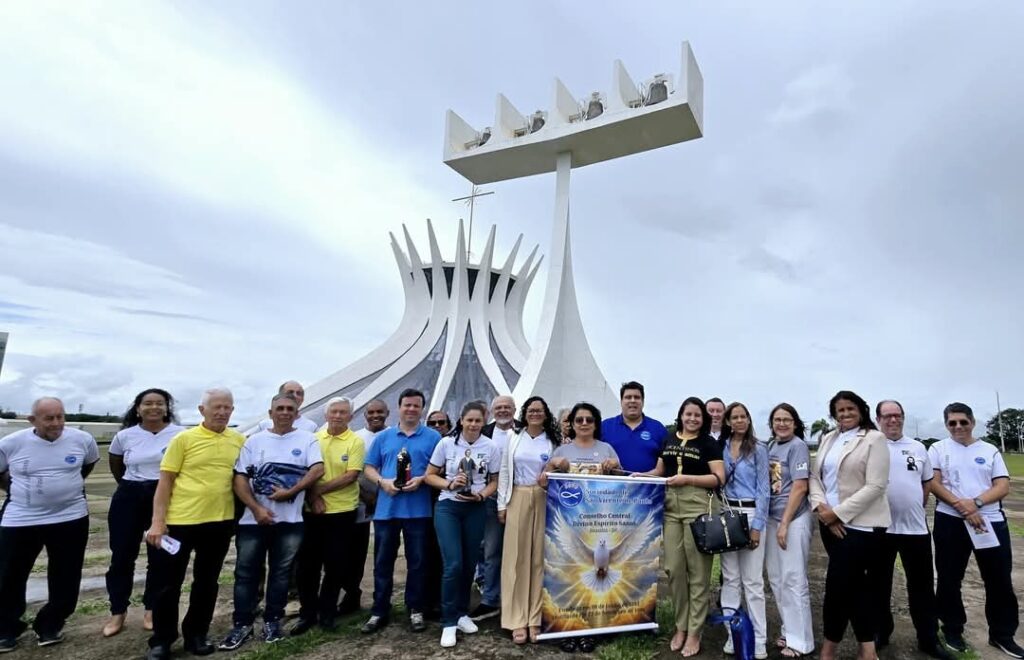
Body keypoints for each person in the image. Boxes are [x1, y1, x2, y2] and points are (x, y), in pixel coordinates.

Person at [143, 387, 246, 660]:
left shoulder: (238, 440)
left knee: (207, 582)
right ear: (202, 410)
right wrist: (157, 522)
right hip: (179, 523)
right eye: (217, 407)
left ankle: (196, 634)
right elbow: (165, 482)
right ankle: (162, 640)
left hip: (219, 522)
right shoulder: (184, 439)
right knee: (167, 584)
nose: (222, 412)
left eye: (227, 408)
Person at [218, 393, 324, 650]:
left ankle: (272, 621)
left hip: (290, 521)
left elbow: (317, 469)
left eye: (290, 408)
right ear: (270, 413)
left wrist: (291, 491)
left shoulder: (308, 439)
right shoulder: (254, 441)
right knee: (246, 575)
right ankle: (241, 624)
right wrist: (255, 509)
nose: (285, 412)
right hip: (253, 522)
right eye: (280, 408)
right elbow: (240, 478)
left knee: (281, 574)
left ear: (297, 413)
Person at [0, 397, 100, 652]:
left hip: (70, 517)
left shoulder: (82, 440)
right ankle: (6, 628)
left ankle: (50, 624)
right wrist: (20, 491)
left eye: (60, 417)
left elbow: (86, 465)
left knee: (66, 574)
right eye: (49, 418)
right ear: (32, 420)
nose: (57, 423)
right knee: (9, 574)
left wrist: (63, 489)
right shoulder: (10, 444)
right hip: (21, 518)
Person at [928, 402, 1022, 658]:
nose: (958, 427)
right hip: (951, 520)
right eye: (952, 423)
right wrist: (963, 507)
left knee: (999, 580)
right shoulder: (938, 448)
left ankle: (1002, 635)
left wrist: (976, 503)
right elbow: (934, 483)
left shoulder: (989, 449)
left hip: (989, 520)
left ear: (972, 422)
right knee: (949, 579)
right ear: (946, 424)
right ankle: (952, 630)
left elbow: (1002, 486)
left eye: (963, 422)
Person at [638, 396, 724, 658]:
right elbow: (660, 471)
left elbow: (718, 478)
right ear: (681, 415)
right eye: (688, 414)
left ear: (703, 418)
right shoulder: (669, 437)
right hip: (671, 507)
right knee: (673, 569)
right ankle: (681, 626)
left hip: (699, 505)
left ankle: (694, 631)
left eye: (697, 415)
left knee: (698, 572)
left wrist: (687, 478)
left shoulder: (708, 443)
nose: (693, 419)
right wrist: (640, 476)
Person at [808, 390, 890, 660]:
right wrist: (823, 509)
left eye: (850, 409)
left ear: (861, 410)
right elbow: (815, 477)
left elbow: (876, 486)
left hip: (860, 527)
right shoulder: (829, 438)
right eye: (840, 410)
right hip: (829, 523)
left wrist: (838, 514)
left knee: (837, 588)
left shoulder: (874, 439)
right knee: (854, 587)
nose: (845, 414)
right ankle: (867, 650)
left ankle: (828, 649)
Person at [871, 400, 954, 659]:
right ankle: (881, 632)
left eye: (897, 416)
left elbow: (926, 484)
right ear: (878, 419)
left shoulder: (918, 447)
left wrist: (913, 505)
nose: (893, 420)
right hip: (880, 528)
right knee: (878, 585)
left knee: (922, 587)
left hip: (915, 530)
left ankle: (927, 638)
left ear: (903, 418)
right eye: (887, 416)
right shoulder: (871, 445)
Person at [103, 389, 184, 638]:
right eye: (147, 403)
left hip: (163, 496)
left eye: (159, 403)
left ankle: (151, 609)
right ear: (138, 408)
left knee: (159, 558)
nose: (154, 408)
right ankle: (118, 611)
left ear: (167, 407)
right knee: (122, 557)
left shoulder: (180, 434)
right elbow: (116, 464)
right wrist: (130, 486)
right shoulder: (125, 436)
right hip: (128, 496)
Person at [361, 388, 442, 634]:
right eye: (407, 405)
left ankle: (415, 608)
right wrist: (382, 482)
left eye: (416, 406)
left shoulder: (432, 437)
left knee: (417, 563)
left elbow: (439, 468)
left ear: (422, 409)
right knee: (383, 562)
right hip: (387, 510)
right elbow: (368, 467)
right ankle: (379, 610)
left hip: (418, 511)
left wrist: (421, 479)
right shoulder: (384, 437)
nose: (411, 409)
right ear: (399, 407)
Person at [425, 401, 501, 648]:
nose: (473, 424)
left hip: (475, 508)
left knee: (469, 563)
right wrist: (449, 484)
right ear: (461, 420)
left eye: (478, 420)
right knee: (453, 564)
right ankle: (448, 622)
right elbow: (430, 475)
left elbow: (495, 480)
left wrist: (481, 495)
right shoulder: (446, 443)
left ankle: (461, 613)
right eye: (469, 420)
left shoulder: (490, 446)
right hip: (449, 506)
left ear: (484, 421)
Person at [292, 397, 365, 635]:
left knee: (335, 566)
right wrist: (313, 498)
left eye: (343, 412)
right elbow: (306, 471)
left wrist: (317, 492)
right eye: (334, 412)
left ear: (350, 417)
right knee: (307, 566)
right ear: (326, 415)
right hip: (312, 513)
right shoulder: (313, 439)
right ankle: (307, 613)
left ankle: (327, 612)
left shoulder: (355, 441)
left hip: (342, 512)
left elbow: (351, 475)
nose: (337, 416)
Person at [497, 396, 559, 645]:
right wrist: (502, 505)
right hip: (518, 496)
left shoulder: (553, 441)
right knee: (515, 559)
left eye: (539, 411)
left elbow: (560, 470)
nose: (534, 414)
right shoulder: (513, 437)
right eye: (531, 410)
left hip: (544, 498)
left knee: (539, 560)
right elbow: (503, 471)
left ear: (545, 414)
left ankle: (535, 618)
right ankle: (516, 620)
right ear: (525, 413)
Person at [719, 402, 770, 659]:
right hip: (728, 512)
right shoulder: (722, 447)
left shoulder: (759, 449)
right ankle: (733, 633)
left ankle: (759, 638)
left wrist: (758, 526)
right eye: (734, 417)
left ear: (749, 420)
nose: (739, 421)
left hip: (751, 513)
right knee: (730, 579)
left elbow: (764, 489)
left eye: (743, 417)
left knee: (752, 581)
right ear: (728, 421)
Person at [764, 403, 814, 659]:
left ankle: (801, 640)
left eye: (787, 420)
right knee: (776, 578)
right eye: (777, 420)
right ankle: (789, 628)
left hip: (792, 520)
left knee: (794, 579)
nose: (781, 424)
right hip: (772, 518)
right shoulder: (772, 446)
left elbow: (800, 487)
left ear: (795, 423)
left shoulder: (798, 446)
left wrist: (784, 523)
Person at [472, 395, 518, 621]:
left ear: (514, 409)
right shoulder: (483, 432)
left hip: (519, 496)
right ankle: (490, 599)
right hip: (490, 498)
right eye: (498, 408)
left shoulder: (525, 430)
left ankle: (518, 597)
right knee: (491, 550)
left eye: (507, 407)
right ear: (491, 411)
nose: (503, 411)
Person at [350, 399, 389, 613]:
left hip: (389, 500)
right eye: (371, 412)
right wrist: (367, 497)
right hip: (361, 500)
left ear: (387, 413)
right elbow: (353, 471)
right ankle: (351, 594)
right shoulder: (357, 438)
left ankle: (381, 599)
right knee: (356, 551)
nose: (375, 416)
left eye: (380, 412)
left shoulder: (392, 434)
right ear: (365, 415)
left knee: (383, 552)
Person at [601, 381, 667, 473]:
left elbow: (666, 464)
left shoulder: (658, 428)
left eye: (637, 397)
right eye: (628, 397)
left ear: (643, 402)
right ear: (621, 402)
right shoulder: (605, 426)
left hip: (649, 486)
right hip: (611, 486)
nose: (632, 400)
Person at [422, 409, 451, 619]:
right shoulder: (425, 444)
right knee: (427, 555)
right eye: (432, 423)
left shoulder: (453, 445)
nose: (437, 426)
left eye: (441, 422)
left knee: (447, 556)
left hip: (448, 505)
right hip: (426, 505)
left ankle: (444, 602)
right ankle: (427, 601)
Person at [252, 381, 319, 434]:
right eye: (290, 392)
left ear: (302, 400)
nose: (295, 396)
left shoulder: (311, 427)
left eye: (299, 393)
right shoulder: (264, 425)